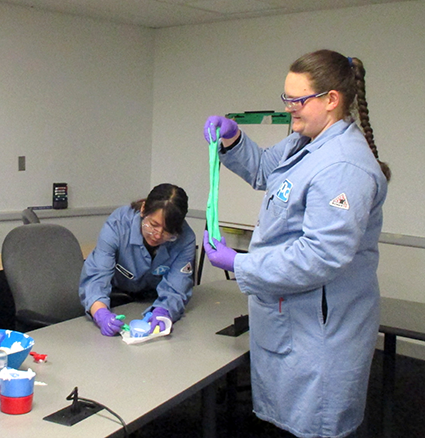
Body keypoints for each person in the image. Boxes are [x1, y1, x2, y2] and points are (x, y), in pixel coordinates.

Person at [202, 50, 390, 437]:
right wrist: (235, 139)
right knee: (289, 423)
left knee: (316, 425)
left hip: (321, 332)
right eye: (286, 98)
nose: (289, 109)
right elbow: (266, 171)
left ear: (331, 99)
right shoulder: (304, 142)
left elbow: (322, 255)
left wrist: (240, 264)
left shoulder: (343, 166)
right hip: (293, 320)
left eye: (297, 100)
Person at [80, 184, 196, 336]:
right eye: (153, 225)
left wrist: (163, 311)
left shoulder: (185, 239)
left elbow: (177, 287)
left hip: (152, 302)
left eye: (168, 231)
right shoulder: (118, 224)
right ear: (143, 210)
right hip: (116, 300)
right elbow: (96, 278)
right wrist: (101, 314)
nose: (157, 235)